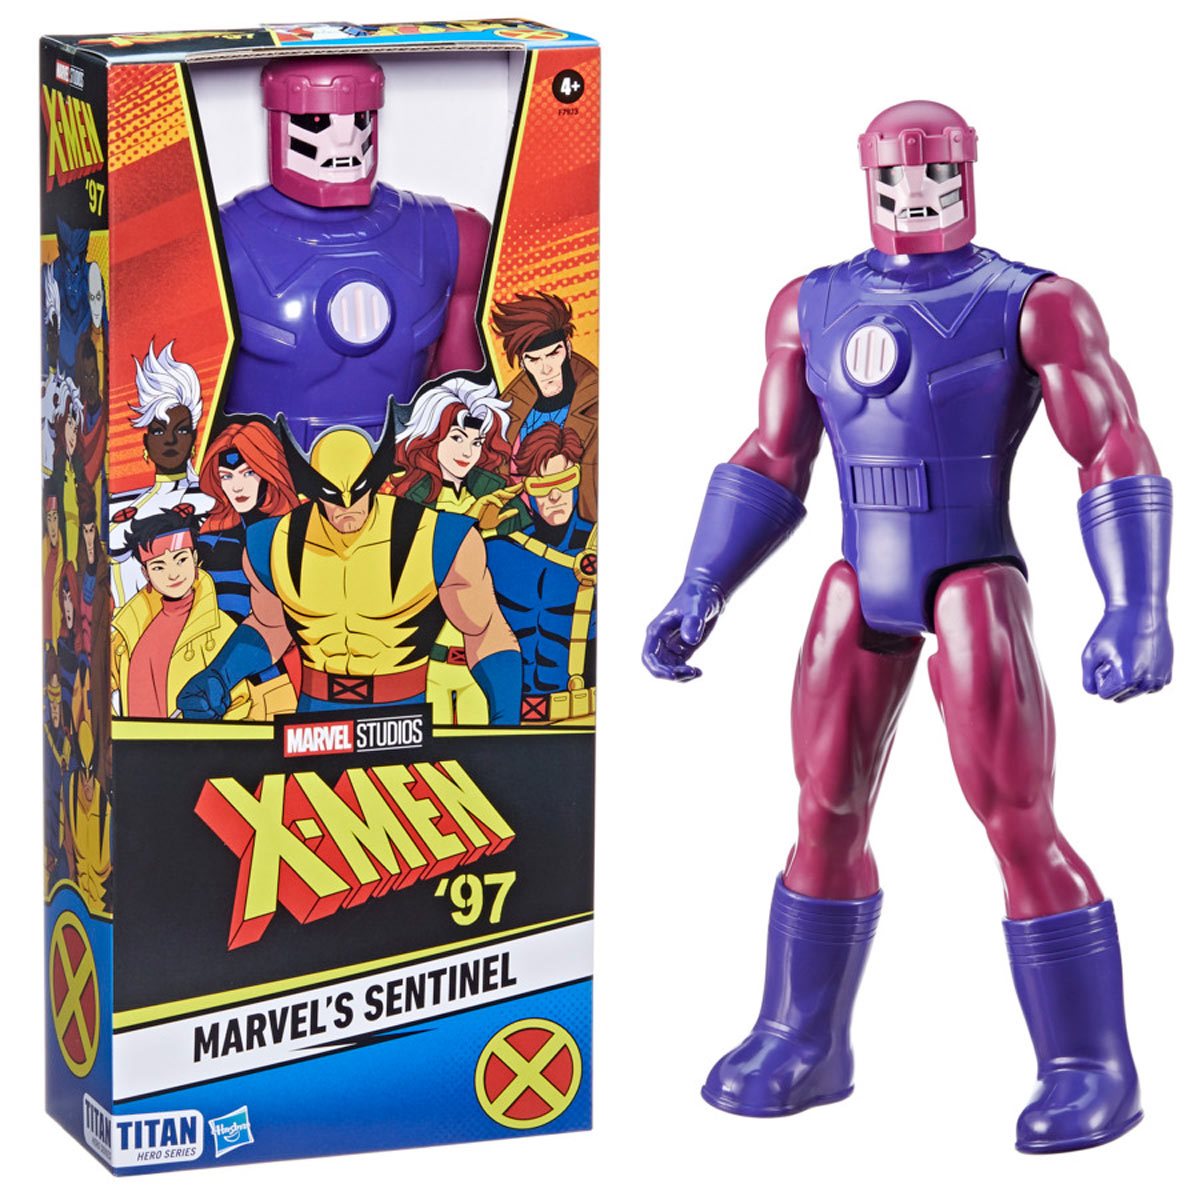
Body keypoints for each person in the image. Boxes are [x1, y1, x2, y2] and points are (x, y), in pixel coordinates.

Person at [644, 101, 1173, 1154]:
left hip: (972, 577)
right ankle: (801, 1038)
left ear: (968, 175)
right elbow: (773, 454)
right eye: (898, 178)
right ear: (869, 179)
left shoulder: (1035, 303)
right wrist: (701, 583)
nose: (918, 194)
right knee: (822, 812)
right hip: (860, 578)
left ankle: (1090, 1065)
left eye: (937, 176)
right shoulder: (812, 303)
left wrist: (1137, 604)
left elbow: (1111, 446)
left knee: (1017, 819)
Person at [177, 411, 521, 723]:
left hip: (402, 715)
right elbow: (270, 626)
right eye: (331, 495)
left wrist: (505, 724)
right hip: (315, 714)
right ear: (312, 487)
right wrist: (219, 674)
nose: (346, 507)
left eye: (358, 491)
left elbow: (486, 631)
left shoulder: (439, 538)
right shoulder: (271, 542)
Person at [490, 290, 598, 521]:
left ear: (567, 348)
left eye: (553, 353)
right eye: (534, 359)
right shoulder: (507, 410)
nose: (546, 368)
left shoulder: (597, 403)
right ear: (522, 363)